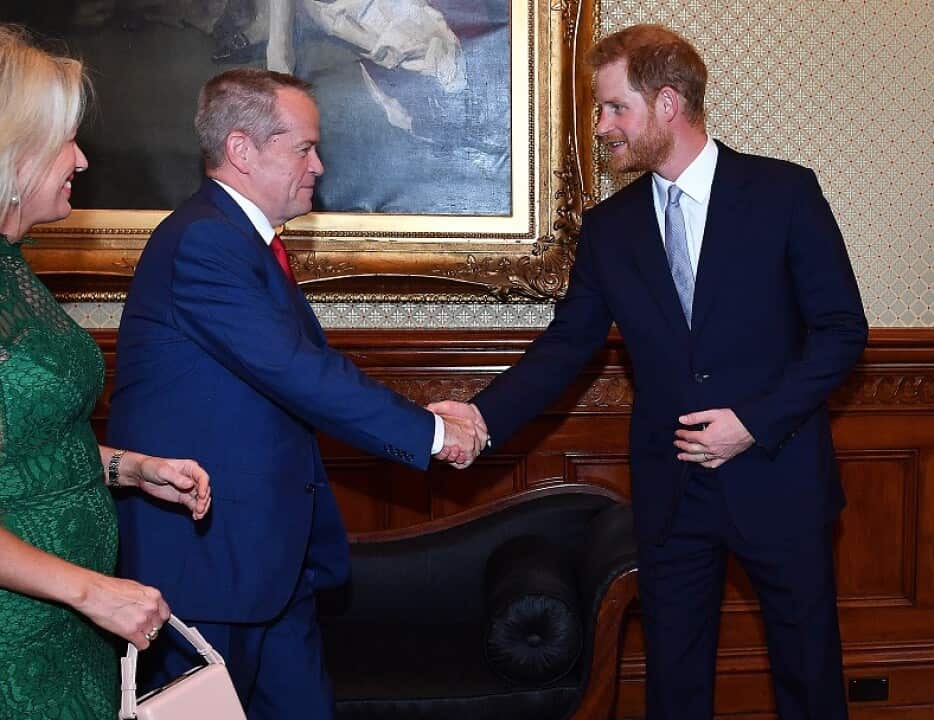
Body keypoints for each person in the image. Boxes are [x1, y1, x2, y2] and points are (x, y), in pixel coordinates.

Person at [431, 24, 866, 720]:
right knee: (673, 682)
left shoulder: (783, 193)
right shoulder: (610, 228)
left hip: (780, 480)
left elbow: (843, 332)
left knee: (809, 677)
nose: (601, 126)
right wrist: (483, 417)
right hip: (673, 494)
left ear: (668, 104)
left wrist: (752, 424)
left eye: (613, 108)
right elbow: (569, 344)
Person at [106, 68, 485, 718]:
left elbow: (303, 373)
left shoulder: (241, 244)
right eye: (303, 147)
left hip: (271, 571)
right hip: (210, 571)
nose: (319, 164)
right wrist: (432, 433)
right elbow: (300, 374)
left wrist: (422, 419)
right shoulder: (205, 242)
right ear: (242, 148)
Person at [0, 24, 211, 718]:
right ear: (13, 149)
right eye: (66, 139)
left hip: (66, 627)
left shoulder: (12, 270)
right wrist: (94, 592)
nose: (82, 159)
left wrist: (130, 468)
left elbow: (27, 448)